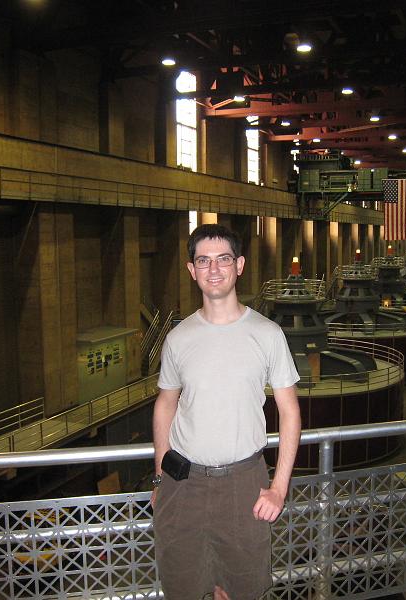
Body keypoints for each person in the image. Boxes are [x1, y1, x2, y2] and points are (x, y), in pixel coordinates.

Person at [151, 223, 301, 600]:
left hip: (244, 482)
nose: (213, 269)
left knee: (247, 588)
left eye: (223, 259)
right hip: (182, 484)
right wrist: (159, 477)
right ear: (191, 270)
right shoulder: (178, 337)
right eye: (203, 260)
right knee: (182, 586)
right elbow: (166, 403)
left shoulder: (267, 334)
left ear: (240, 266)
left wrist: (278, 488)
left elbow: (289, 412)